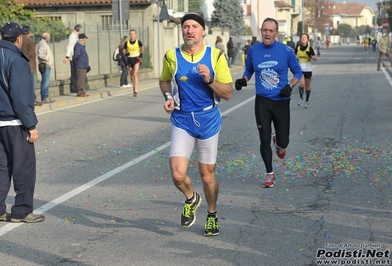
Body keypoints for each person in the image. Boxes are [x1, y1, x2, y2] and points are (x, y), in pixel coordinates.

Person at [159, 13, 233, 236]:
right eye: (186, 27)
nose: (189, 30)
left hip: (208, 120)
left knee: (207, 175)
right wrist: (168, 98)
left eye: (194, 26)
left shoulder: (215, 56)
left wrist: (210, 80)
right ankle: (191, 198)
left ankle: (212, 215)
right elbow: (163, 80)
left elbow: (228, 93)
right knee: (178, 175)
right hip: (182, 120)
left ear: (203, 32)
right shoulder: (172, 55)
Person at [234, 17, 302, 188]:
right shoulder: (254, 51)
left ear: (276, 33)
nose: (267, 33)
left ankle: (278, 141)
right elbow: (249, 69)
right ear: (261, 31)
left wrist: (290, 86)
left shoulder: (286, 51)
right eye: (265, 30)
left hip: (281, 101)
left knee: (284, 142)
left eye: (271, 31)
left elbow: (298, 72)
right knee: (263, 139)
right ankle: (269, 174)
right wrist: (243, 80)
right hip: (262, 101)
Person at [0, 22, 44, 223]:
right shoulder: (17, 60)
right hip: (15, 122)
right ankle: (22, 210)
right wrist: (31, 125)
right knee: (24, 167)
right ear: (18, 39)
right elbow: (22, 98)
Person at [21, 26, 42, 106]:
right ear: (29, 32)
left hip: (20, 65)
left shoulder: (18, 40)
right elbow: (31, 54)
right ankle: (32, 100)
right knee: (32, 83)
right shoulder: (31, 41)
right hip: (30, 66)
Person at [295, 33, 317, 108]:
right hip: (300, 69)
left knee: (307, 86)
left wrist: (310, 55)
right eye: (302, 37)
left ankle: (307, 100)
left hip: (308, 69)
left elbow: (315, 58)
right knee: (301, 84)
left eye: (305, 38)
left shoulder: (310, 48)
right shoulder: (297, 48)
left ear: (307, 39)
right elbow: (294, 56)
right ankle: (301, 98)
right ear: (300, 39)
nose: (303, 39)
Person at [124, 29, 145, 97]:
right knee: (131, 76)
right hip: (130, 59)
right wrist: (126, 53)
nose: (132, 35)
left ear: (135, 34)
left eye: (133, 34)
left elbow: (142, 47)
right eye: (131, 34)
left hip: (136, 58)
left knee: (135, 74)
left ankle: (136, 90)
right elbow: (124, 50)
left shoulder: (138, 42)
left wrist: (141, 53)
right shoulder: (127, 43)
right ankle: (134, 85)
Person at [63, 24, 82, 93]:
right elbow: (70, 46)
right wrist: (67, 56)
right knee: (74, 72)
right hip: (73, 57)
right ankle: (74, 87)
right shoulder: (73, 36)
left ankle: (76, 86)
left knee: (78, 71)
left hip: (76, 57)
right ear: (79, 30)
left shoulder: (76, 36)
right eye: (81, 30)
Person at [37, 32, 55, 103]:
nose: (50, 37)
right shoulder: (43, 44)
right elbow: (41, 54)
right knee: (45, 81)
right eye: (49, 36)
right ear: (47, 37)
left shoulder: (43, 43)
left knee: (46, 81)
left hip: (45, 64)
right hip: (45, 64)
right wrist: (48, 58)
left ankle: (46, 96)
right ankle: (44, 97)